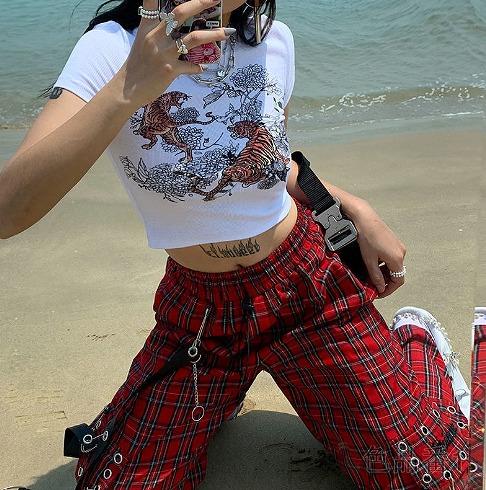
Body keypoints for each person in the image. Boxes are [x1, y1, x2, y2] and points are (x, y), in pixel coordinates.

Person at [0, 0, 471, 488]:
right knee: (109, 481)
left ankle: (417, 342)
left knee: (432, 477)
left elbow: (267, 158)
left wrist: (350, 204)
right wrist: (127, 88)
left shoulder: (273, 40)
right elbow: (9, 211)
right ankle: (225, 390)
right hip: (201, 310)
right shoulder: (111, 48)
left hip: (305, 283)